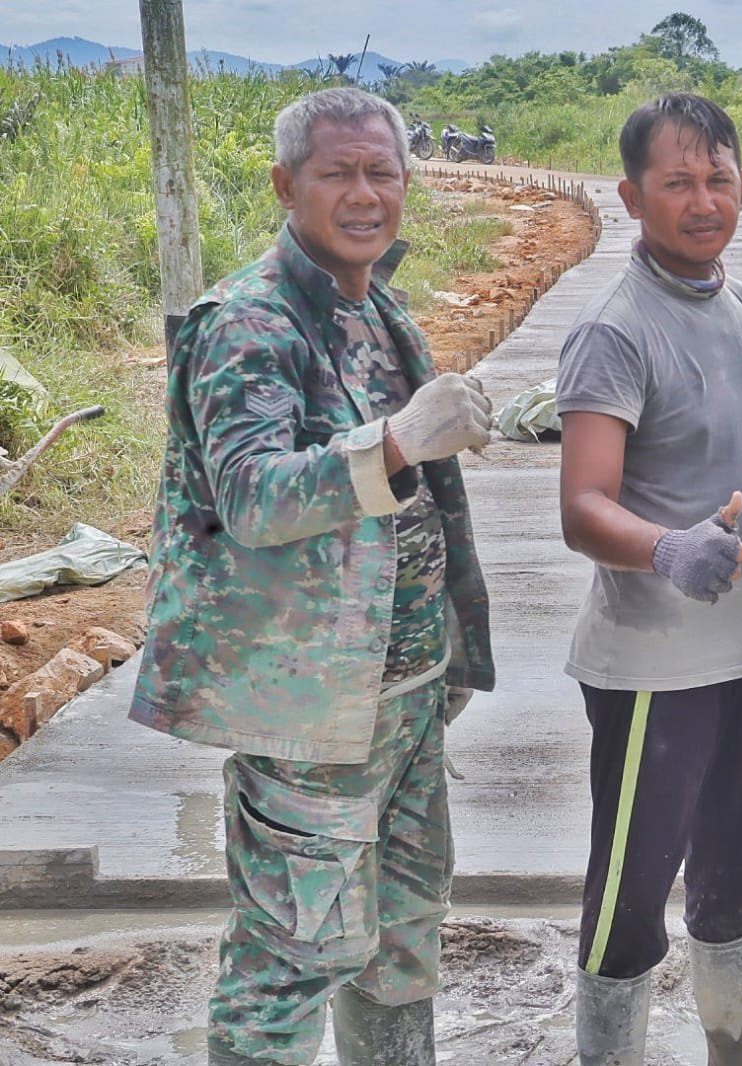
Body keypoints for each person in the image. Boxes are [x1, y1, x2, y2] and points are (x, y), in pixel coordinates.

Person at [130, 87, 495, 1066]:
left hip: (405, 702)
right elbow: (251, 494)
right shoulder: (249, 324)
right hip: (309, 719)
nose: (366, 192)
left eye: (383, 171)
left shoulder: (375, 304)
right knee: (289, 963)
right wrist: (399, 440)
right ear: (286, 184)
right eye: (338, 172)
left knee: (400, 944)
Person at [554, 92, 742, 1066]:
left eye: (719, 178)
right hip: (652, 669)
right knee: (629, 898)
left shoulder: (741, 304)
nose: (703, 200)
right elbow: (584, 504)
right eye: (677, 182)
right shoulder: (616, 329)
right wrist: (667, 547)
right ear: (631, 197)